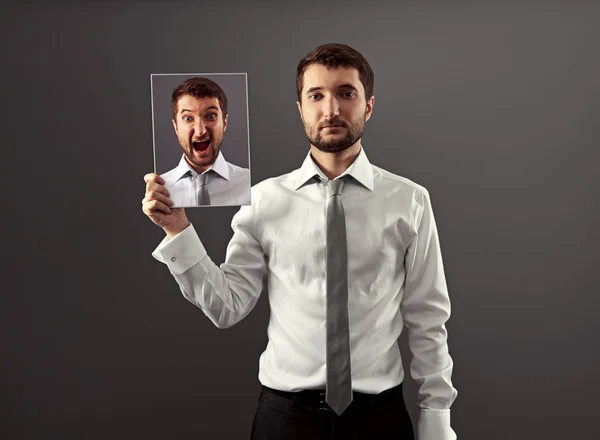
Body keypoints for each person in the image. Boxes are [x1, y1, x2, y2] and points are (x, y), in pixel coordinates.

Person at [142, 43, 458, 440]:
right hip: (285, 421)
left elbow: (428, 317)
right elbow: (227, 307)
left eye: (346, 93)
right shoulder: (263, 202)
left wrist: (437, 417)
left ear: (369, 106)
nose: (331, 110)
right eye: (316, 96)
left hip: (379, 420)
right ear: (300, 108)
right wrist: (178, 230)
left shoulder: (409, 201)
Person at [160, 76, 251, 207]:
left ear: (224, 123)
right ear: (176, 127)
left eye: (211, 116)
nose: (200, 131)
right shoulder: (160, 192)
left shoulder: (251, 184)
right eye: (188, 118)